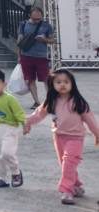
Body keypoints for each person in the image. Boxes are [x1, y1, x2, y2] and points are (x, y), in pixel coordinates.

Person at [24, 70, 99, 205]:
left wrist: (97, 134)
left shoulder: (78, 102)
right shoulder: (51, 101)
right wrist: (27, 122)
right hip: (59, 136)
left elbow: (90, 120)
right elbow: (38, 115)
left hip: (76, 137)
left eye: (66, 82)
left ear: (72, 84)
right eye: (58, 82)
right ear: (52, 85)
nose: (62, 85)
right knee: (66, 164)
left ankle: (66, 191)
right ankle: (75, 185)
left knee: (69, 161)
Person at [16, 6, 54, 103]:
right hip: (26, 56)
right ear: (29, 15)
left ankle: (50, 101)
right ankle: (37, 102)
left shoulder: (46, 26)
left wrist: (44, 40)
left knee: (46, 79)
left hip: (41, 57)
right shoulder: (23, 24)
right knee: (30, 79)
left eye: (39, 18)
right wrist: (19, 56)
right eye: (34, 19)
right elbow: (19, 41)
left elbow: (52, 40)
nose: (37, 20)